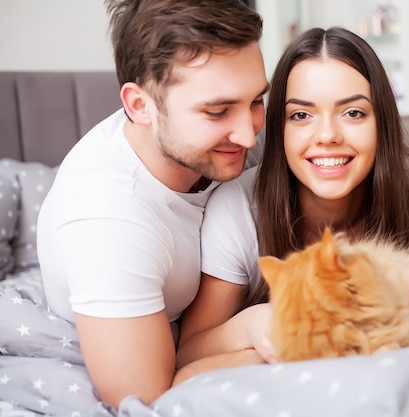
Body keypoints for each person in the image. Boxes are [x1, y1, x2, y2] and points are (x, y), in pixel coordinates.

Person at [175, 26, 409, 377]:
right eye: (301, 115)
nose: (327, 136)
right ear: (280, 129)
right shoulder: (239, 210)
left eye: (353, 113)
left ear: (380, 121)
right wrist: (252, 326)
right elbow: (188, 355)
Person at [36, 0, 268, 409]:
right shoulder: (105, 220)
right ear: (140, 107)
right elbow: (145, 398)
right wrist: (259, 338)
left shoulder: (222, 144)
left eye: (255, 102)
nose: (249, 137)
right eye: (217, 112)